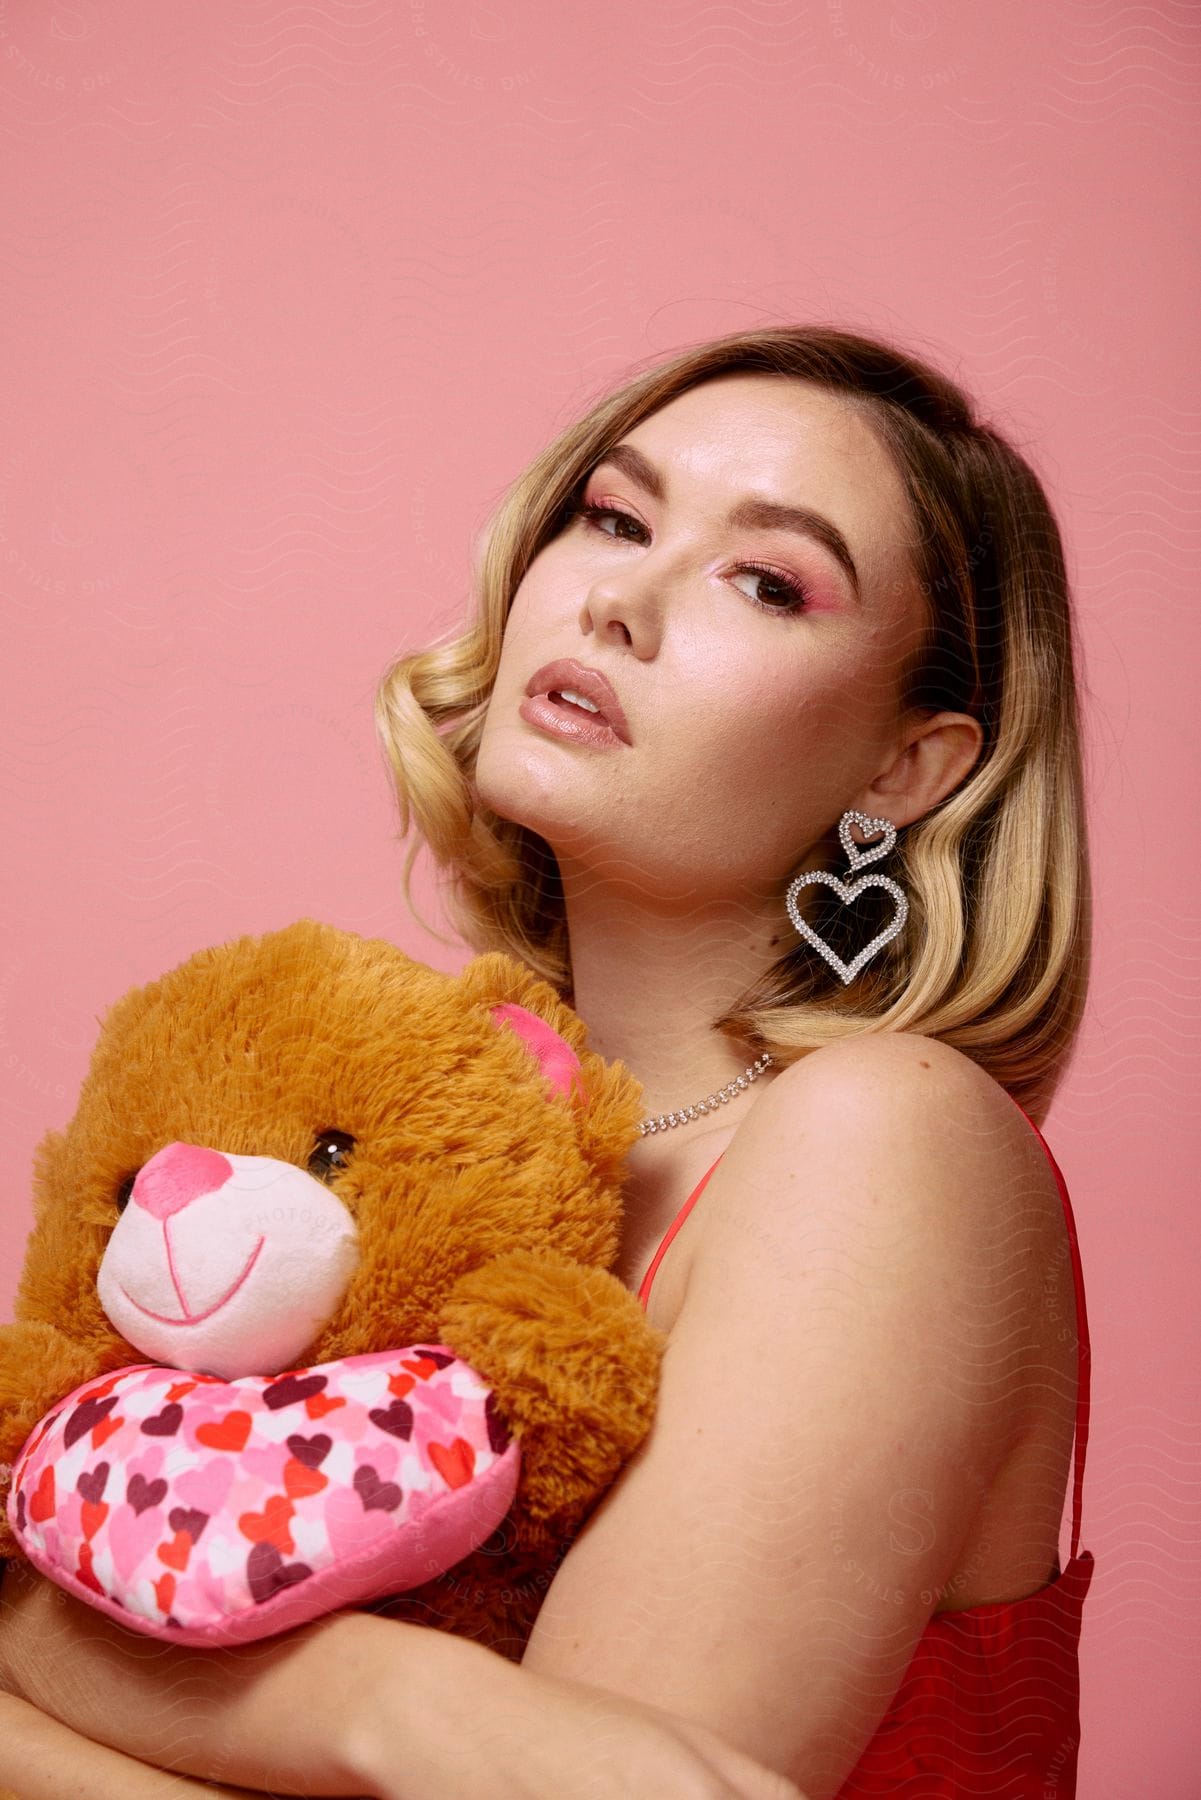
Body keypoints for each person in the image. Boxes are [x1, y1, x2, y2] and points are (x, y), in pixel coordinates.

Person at [0, 322, 1093, 1799]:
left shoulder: (883, 1137)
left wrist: (387, 1711)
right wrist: (382, 1712)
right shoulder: (423, 1143)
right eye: (613, 517)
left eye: (766, 581)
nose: (621, 599)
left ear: (904, 768)